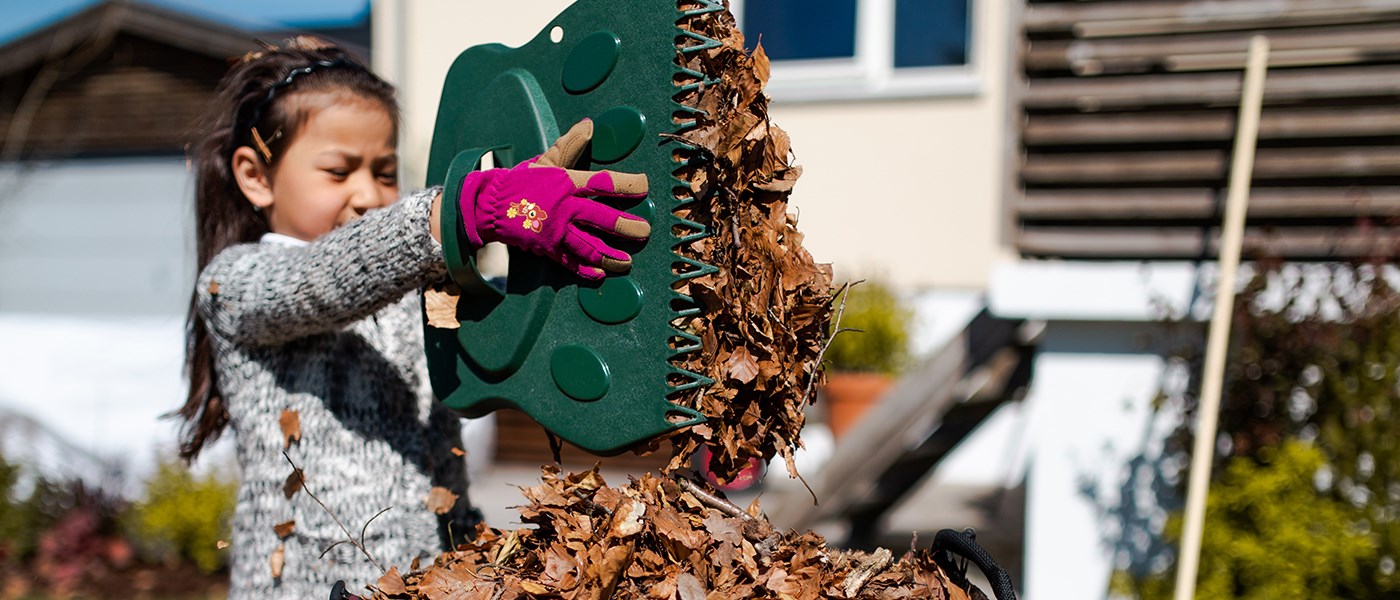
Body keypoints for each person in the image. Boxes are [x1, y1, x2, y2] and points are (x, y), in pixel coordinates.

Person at [174, 37, 650, 599]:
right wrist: (466, 208)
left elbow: (502, 351)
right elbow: (325, 276)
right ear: (256, 176)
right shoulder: (234, 286)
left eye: (383, 171)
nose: (367, 194)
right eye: (337, 170)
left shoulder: (417, 286)